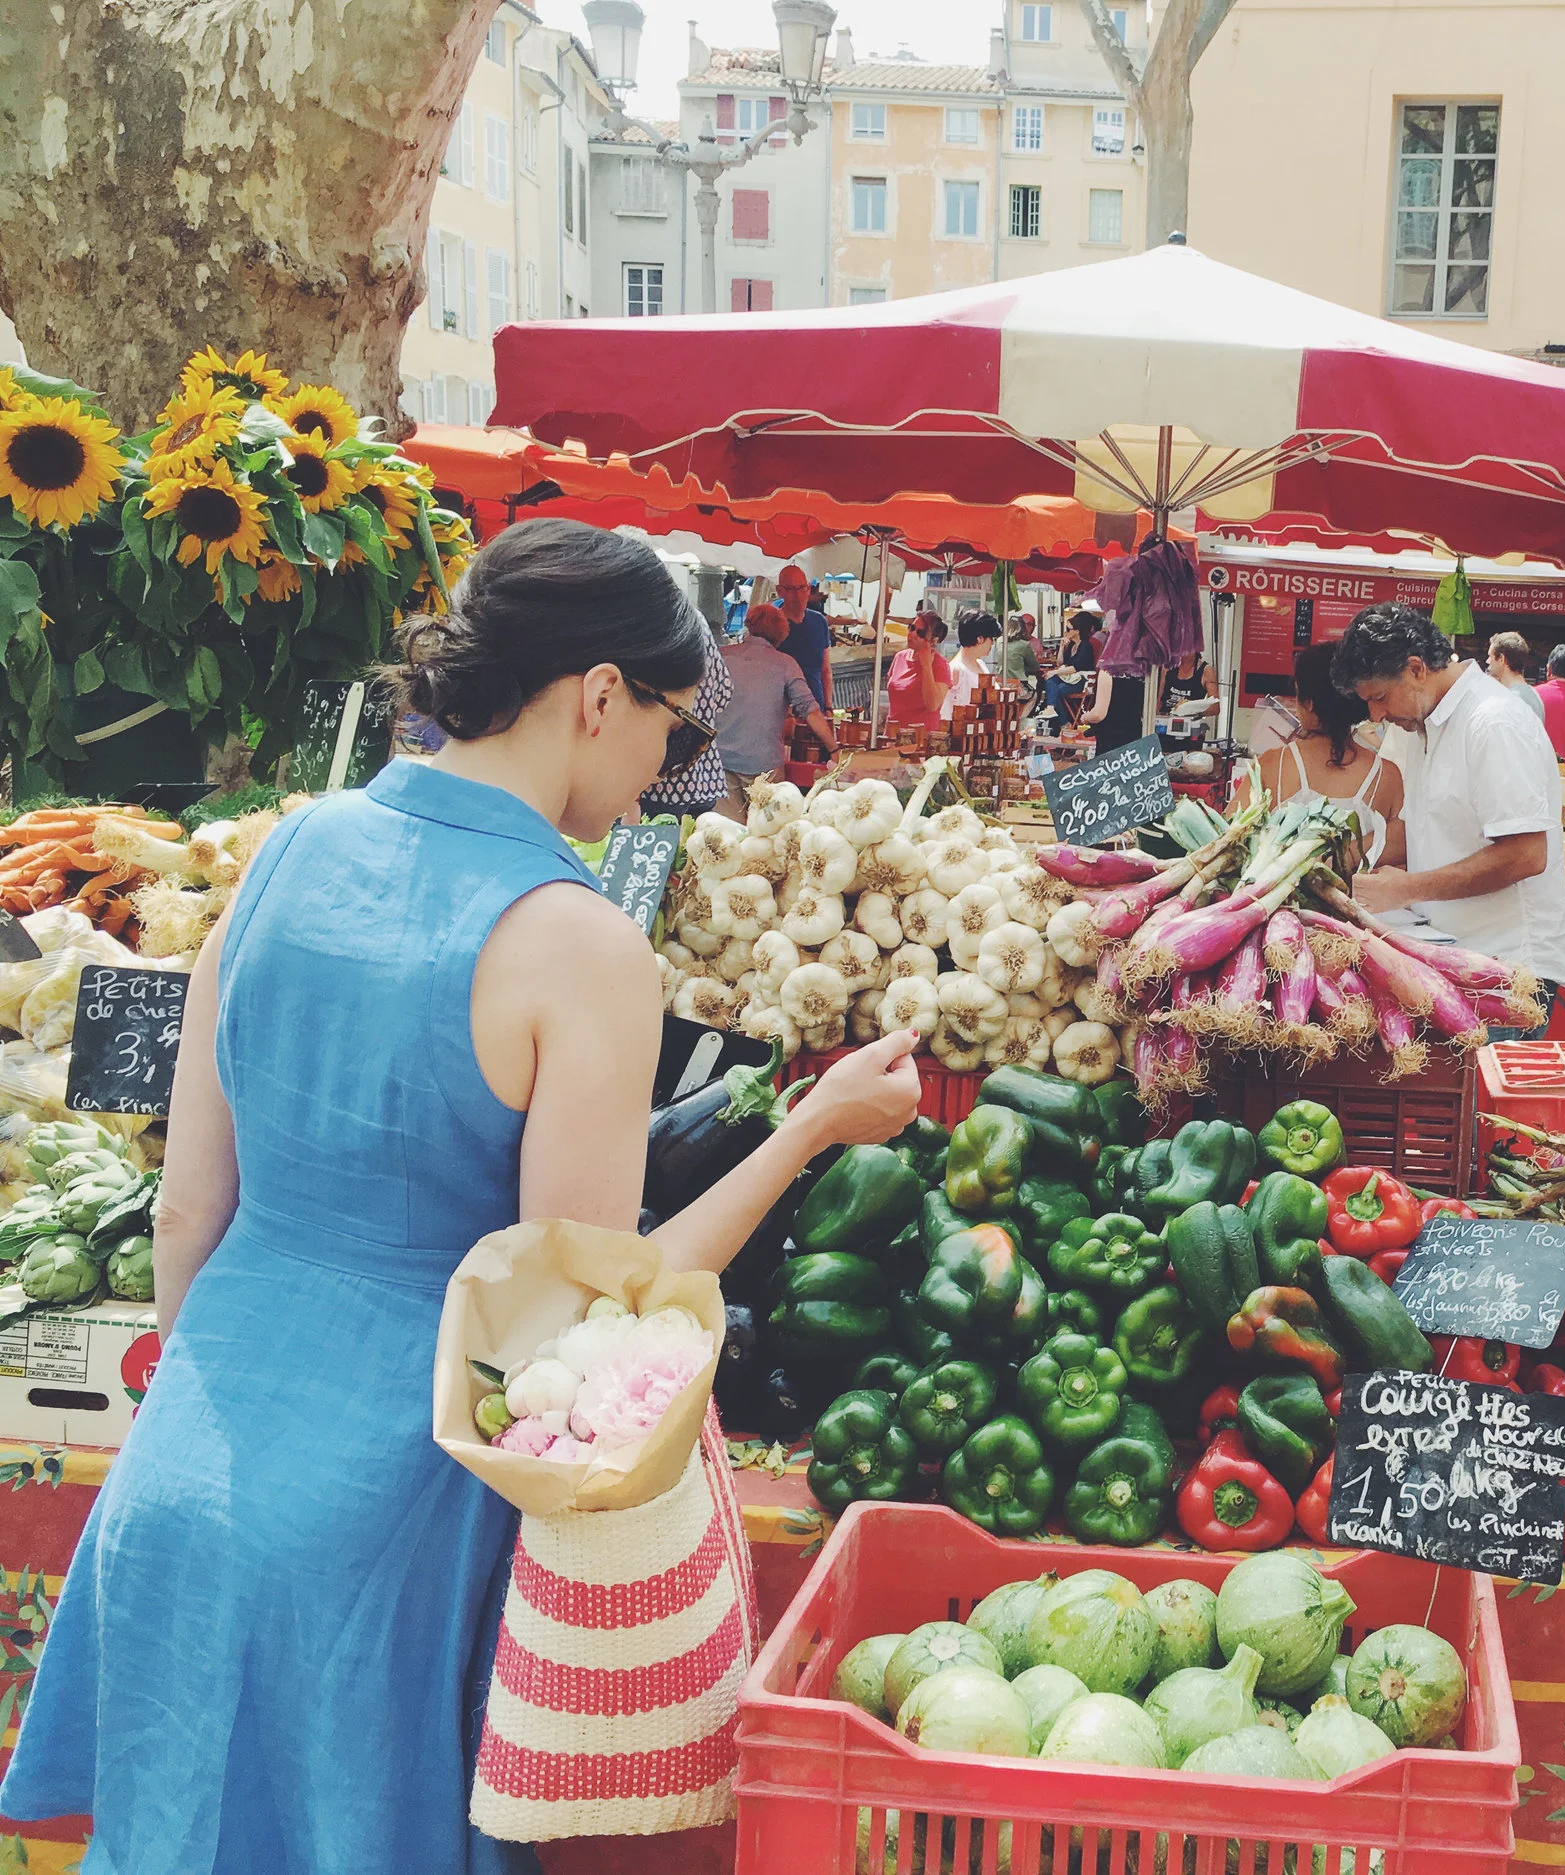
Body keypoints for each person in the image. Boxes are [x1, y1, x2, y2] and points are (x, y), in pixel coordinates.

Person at [0, 519, 925, 1875]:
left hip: (182, 1481)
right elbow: (589, 1319)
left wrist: (232, 1407)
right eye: (671, 726)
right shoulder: (580, 940)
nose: (669, 766)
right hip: (395, 1524)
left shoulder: (286, 851)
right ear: (599, 693)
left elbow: (187, 1213)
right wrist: (817, 1127)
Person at [1334, 603, 1565, 1034]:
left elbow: (1525, 854)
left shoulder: (1493, 722)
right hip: (1453, 957)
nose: (1375, 715)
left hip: (1506, 970)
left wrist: (1404, 888)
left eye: (1378, 698)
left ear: (1415, 669)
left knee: (1479, 1102)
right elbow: (1421, 827)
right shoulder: (1425, 724)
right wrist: (1337, 858)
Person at [1249, 641, 1407, 867]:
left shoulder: (1272, 765)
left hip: (1274, 901)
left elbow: (1229, 834)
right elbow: (1403, 845)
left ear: (1309, 703)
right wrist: (1348, 855)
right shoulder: (1387, 775)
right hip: (1360, 900)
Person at [721, 600, 841, 802]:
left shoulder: (722, 656)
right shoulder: (786, 664)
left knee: (724, 829)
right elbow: (809, 710)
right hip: (763, 764)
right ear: (782, 633)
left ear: (749, 625)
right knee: (766, 829)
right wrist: (834, 749)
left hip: (721, 761)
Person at [639, 635, 736, 818]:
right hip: (704, 774)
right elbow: (724, 694)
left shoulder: (656, 620)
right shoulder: (700, 626)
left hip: (659, 784)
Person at [774, 564, 833, 709]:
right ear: (780, 591)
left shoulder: (819, 622)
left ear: (808, 589)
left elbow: (825, 670)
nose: (797, 595)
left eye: (802, 588)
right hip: (783, 711)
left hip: (816, 707)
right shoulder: (771, 624)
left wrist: (828, 707)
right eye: (791, 589)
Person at [885, 608, 951, 737]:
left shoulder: (939, 665)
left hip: (921, 739)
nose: (912, 634)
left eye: (920, 633)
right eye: (912, 628)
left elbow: (933, 705)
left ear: (933, 640)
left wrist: (926, 666)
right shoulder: (900, 657)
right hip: (893, 735)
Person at [1046, 608, 1101, 727]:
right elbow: (1060, 663)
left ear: (1077, 630)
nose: (1066, 632)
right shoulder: (1071, 645)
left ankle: (1063, 722)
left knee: (1058, 689)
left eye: (1068, 629)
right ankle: (1051, 710)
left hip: (1081, 679)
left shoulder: (1086, 646)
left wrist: (1055, 672)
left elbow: (1077, 667)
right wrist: (1061, 647)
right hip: (1069, 677)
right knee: (1051, 682)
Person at [945, 611, 1003, 721]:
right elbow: (947, 712)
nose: (992, 644)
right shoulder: (956, 669)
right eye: (991, 639)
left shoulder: (981, 665)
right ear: (980, 639)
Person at [1083, 660, 1150, 752]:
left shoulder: (1108, 671)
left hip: (1110, 739)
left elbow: (1098, 714)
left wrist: (1085, 718)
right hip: (1135, 735)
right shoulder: (1145, 671)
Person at [1486, 632, 1546, 725]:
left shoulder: (1511, 699)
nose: (1488, 661)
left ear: (1501, 659)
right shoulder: (1534, 695)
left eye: (1490, 656)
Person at [996, 612, 1042, 701]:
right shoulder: (1024, 644)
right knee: (1034, 694)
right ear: (1022, 629)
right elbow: (1035, 667)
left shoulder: (999, 641)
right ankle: (1025, 713)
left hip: (999, 681)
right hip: (1018, 683)